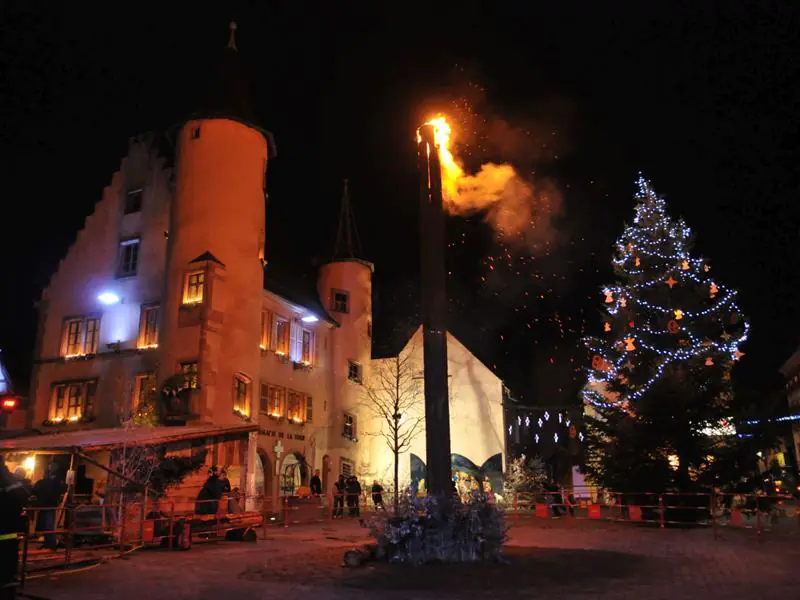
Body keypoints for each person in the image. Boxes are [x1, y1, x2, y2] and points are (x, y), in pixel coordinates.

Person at [1, 455, 31, 600]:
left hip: (4, 532)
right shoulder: (12, 480)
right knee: (7, 573)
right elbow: (24, 497)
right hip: (10, 535)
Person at [32, 463, 65, 550]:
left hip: (51, 504)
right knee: (45, 525)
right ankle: (47, 543)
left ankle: (51, 544)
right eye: (50, 466)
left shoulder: (58, 478)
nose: (50, 467)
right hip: (44, 504)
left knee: (49, 525)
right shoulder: (47, 477)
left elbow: (58, 490)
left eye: (53, 466)